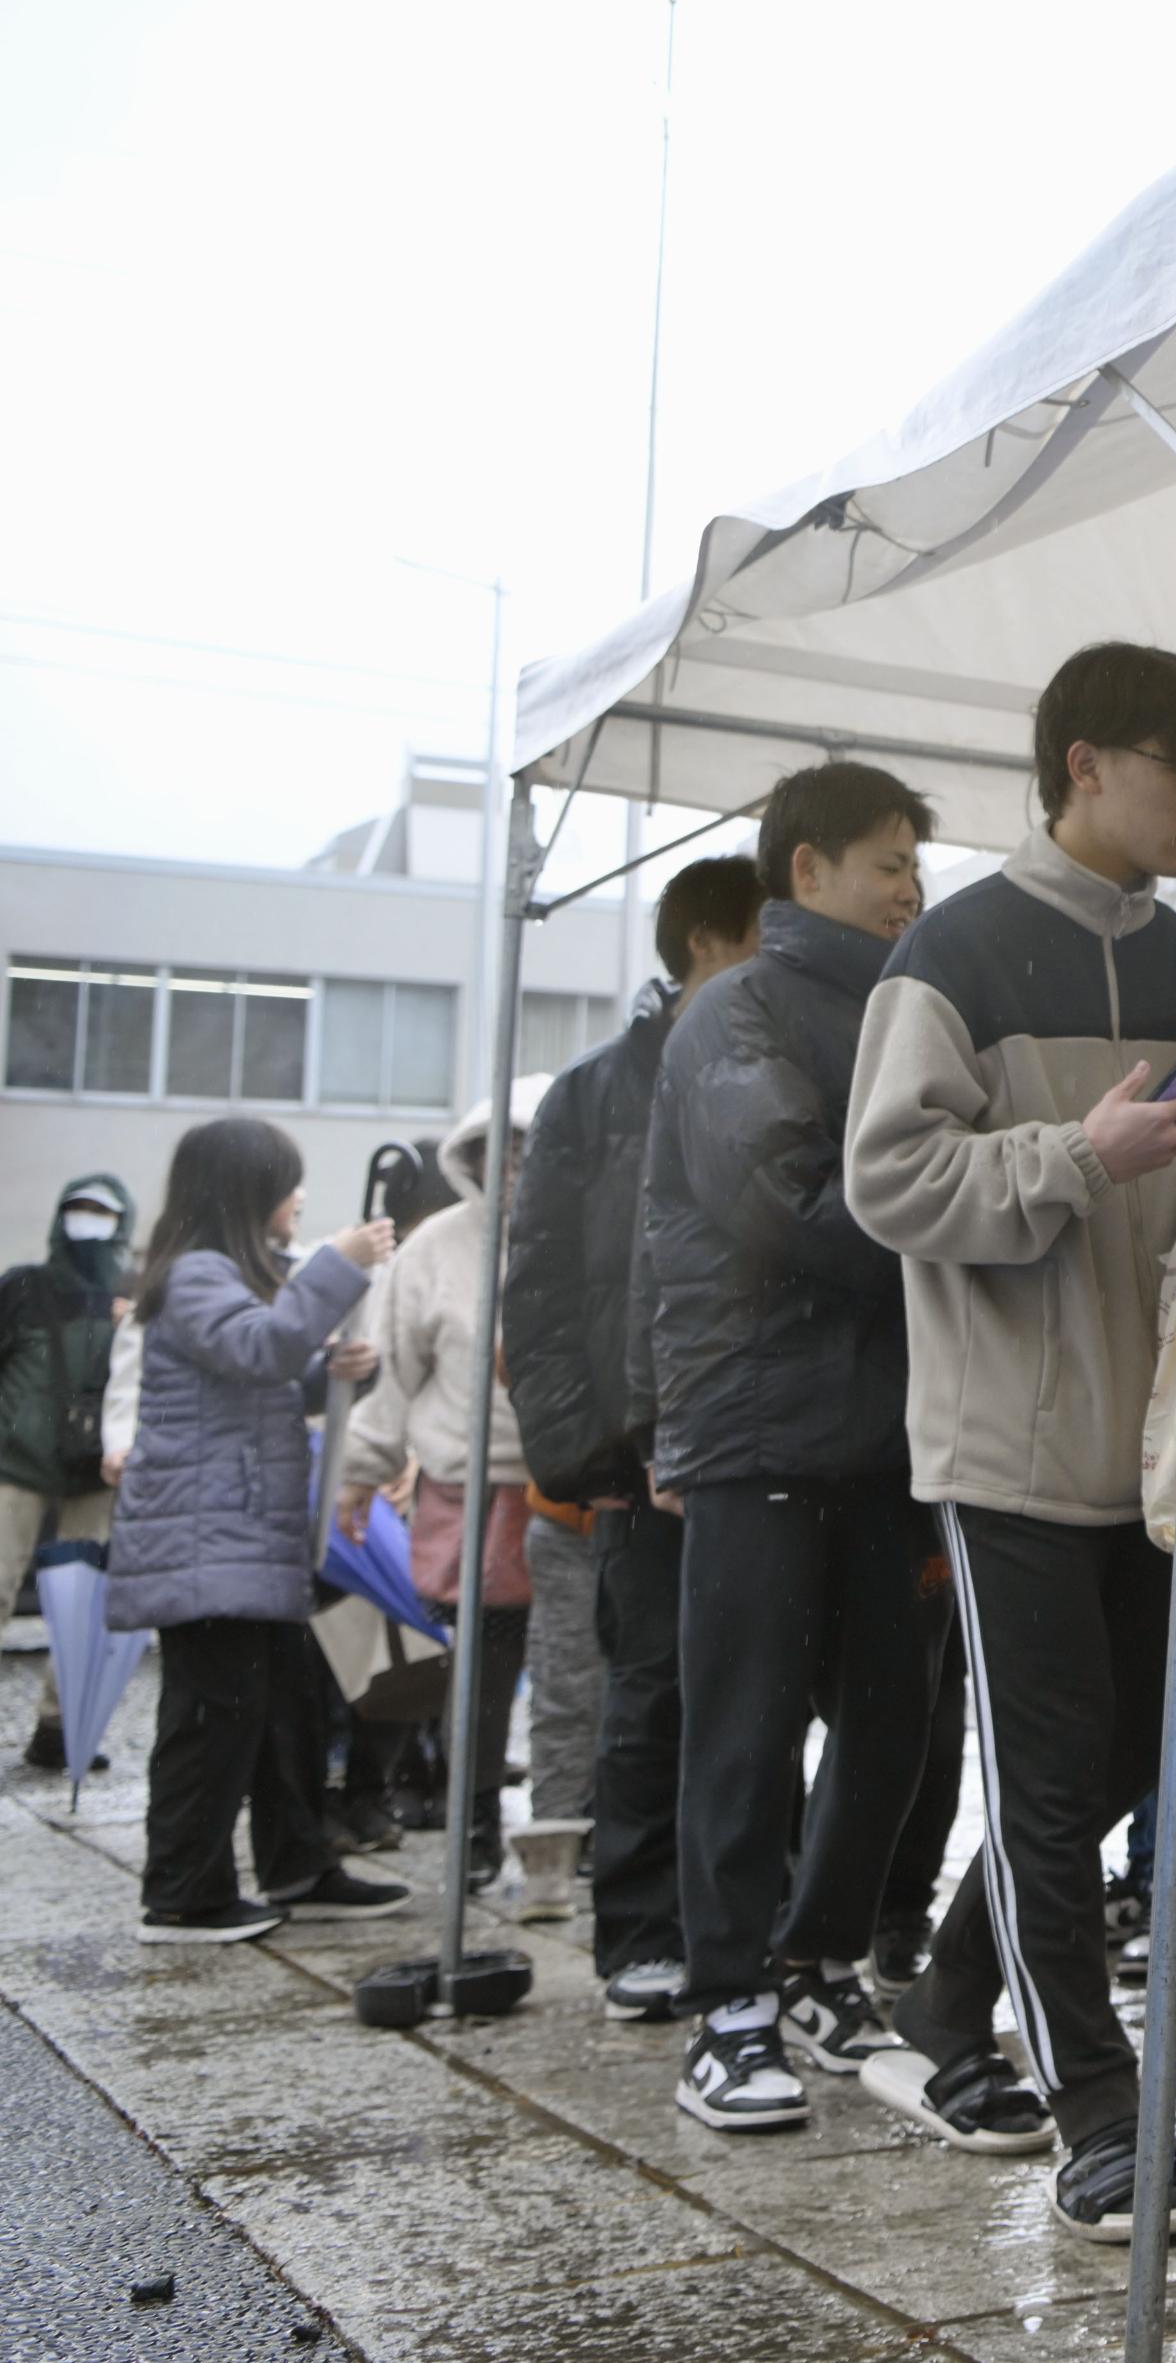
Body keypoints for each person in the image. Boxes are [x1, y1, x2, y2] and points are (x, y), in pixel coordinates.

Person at [845, 642, 1176, 2239]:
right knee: (1047, 1779)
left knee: (1121, 1759)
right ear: (1085, 764)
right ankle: (1099, 2115)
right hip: (1010, 1444)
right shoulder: (952, 956)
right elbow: (888, 1186)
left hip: (1163, 1452)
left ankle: (946, 2006)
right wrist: (1072, 1155)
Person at [639, 764, 967, 2138]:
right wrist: (971, 1240)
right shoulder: (739, 1010)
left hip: (897, 1429)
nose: (907, 888)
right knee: (749, 1724)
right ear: (805, 869)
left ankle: (821, 1960)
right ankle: (725, 2008)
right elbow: (789, 1202)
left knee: (899, 1716)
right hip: (759, 1420)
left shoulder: (913, 1009)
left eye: (914, 866)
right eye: (885, 862)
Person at [508, 854, 765, 2021]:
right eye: (771, 932)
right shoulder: (593, 1092)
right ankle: (641, 1931)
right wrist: (596, 1448)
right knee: (649, 1688)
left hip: (764, 1434)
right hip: (641, 1459)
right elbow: (545, 1287)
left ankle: (753, 1928)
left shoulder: (786, 1064)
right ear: (708, 941)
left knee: (764, 1696)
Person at [104, 1120, 412, 1942]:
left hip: (240, 1541)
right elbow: (260, 1348)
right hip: (210, 1544)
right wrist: (338, 1266)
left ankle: (298, 1864)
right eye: (286, 1182)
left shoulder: (220, 1273)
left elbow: (266, 1373)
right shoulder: (197, 1274)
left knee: (288, 1711)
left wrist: (334, 1370)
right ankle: (181, 1894)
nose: (298, 1197)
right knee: (212, 1723)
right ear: (243, 1193)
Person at [334, 1085, 541, 1887]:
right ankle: (474, 1822)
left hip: (575, 1490)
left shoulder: (591, 1229)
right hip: (470, 1489)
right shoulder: (435, 1247)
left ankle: (582, 1821)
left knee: (581, 1674)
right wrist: (362, 1470)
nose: (516, 1167)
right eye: (502, 1150)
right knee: (480, 1675)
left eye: (529, 1149)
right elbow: (392, 1371)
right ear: (473, 1158)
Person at [5, 1172, 134, 1771]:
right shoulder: (23, 1288)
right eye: (77, 1209)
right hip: (16, 1465)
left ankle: (60, 1728)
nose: (88, 1221)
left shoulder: (135, 1293)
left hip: (97, 1471)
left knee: (83, 1604)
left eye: (101, 1212)